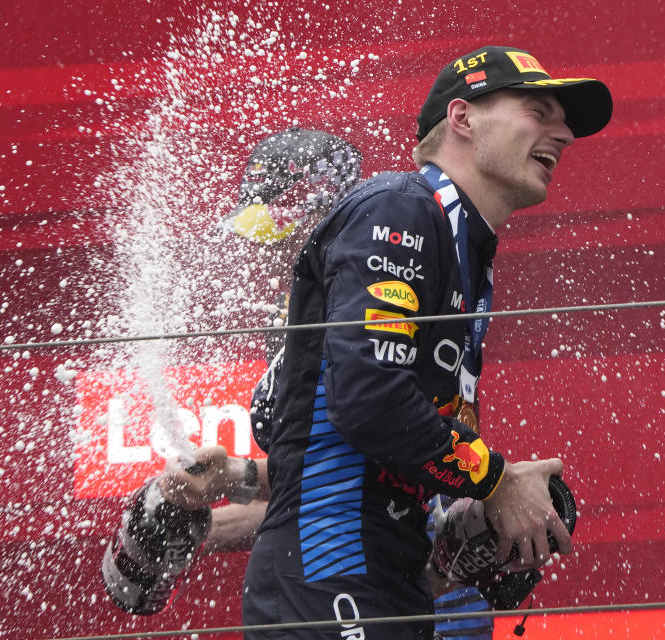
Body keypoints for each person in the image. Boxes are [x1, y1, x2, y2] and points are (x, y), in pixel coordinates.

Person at [169, 45, 612, 639]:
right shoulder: (400, 209)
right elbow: (371, 403)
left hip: (385, 585)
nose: (563, 133)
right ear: (463, 118)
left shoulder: (461, 246)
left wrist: (465, 530)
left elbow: (342, 440)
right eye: (538, 110)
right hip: (332, 582)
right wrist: (496, 481)